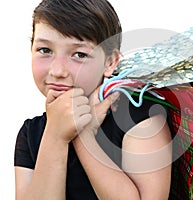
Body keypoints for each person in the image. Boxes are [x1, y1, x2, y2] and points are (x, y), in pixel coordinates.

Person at [14, 0, 172, 199]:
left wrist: (84, 135)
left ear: (110, 62)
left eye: (79, 54)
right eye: (45, 50)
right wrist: (55, 136)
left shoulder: (140, 120)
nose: (58, 71)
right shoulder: (31, 133)